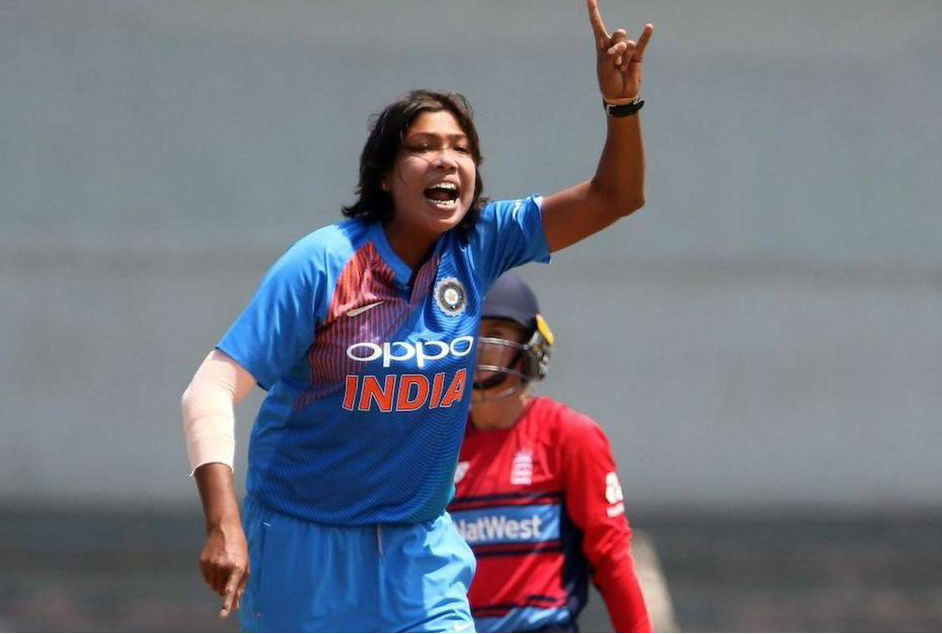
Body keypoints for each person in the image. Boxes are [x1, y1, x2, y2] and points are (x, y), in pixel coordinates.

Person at [180, 1, 654, 630]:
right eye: (423, 147)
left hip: (418, 551)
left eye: (461, 148)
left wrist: (621, 106)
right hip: (304, 545)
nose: (446, 159)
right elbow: (209, 390)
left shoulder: (480, 243)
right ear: (384, 176)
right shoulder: (323, 263)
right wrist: (224, 523)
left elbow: (616, 197)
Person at [449, 272, 653, 633]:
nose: (480, 346)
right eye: (471, 331)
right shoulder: (437, 443)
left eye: (496, 332)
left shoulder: (568, 435)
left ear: (530, 346)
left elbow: (611, 556)